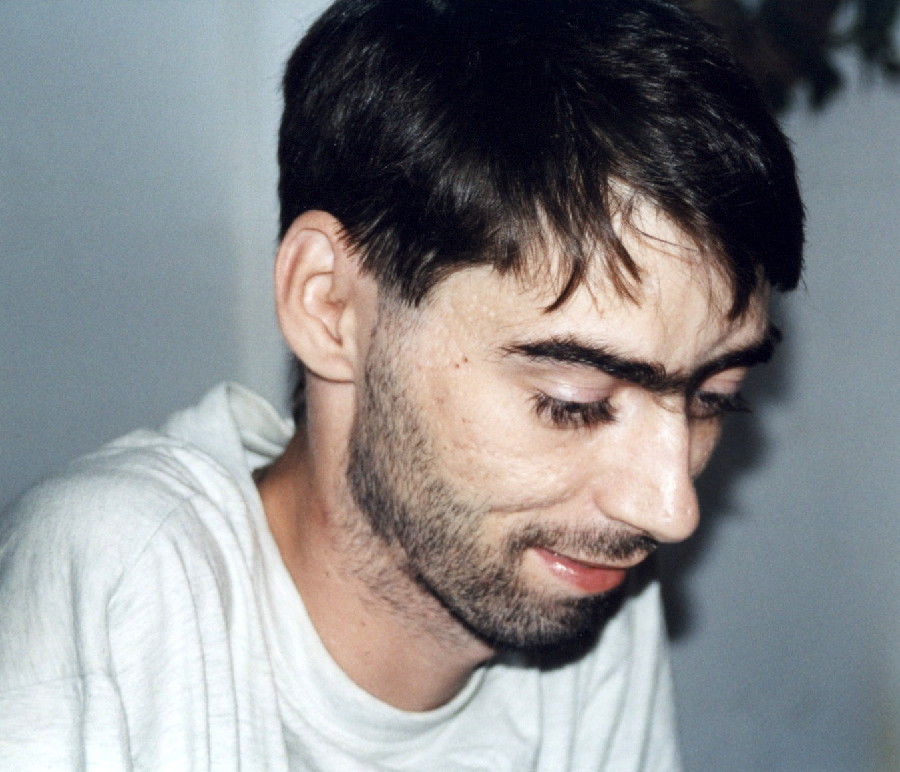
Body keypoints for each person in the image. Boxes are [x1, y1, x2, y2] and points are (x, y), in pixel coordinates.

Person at [0, 0, 803, 768]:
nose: (667, 509)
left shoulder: (578, 576)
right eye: (573, 403)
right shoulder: (121, 576)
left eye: (711, 399)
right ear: (330, 305)